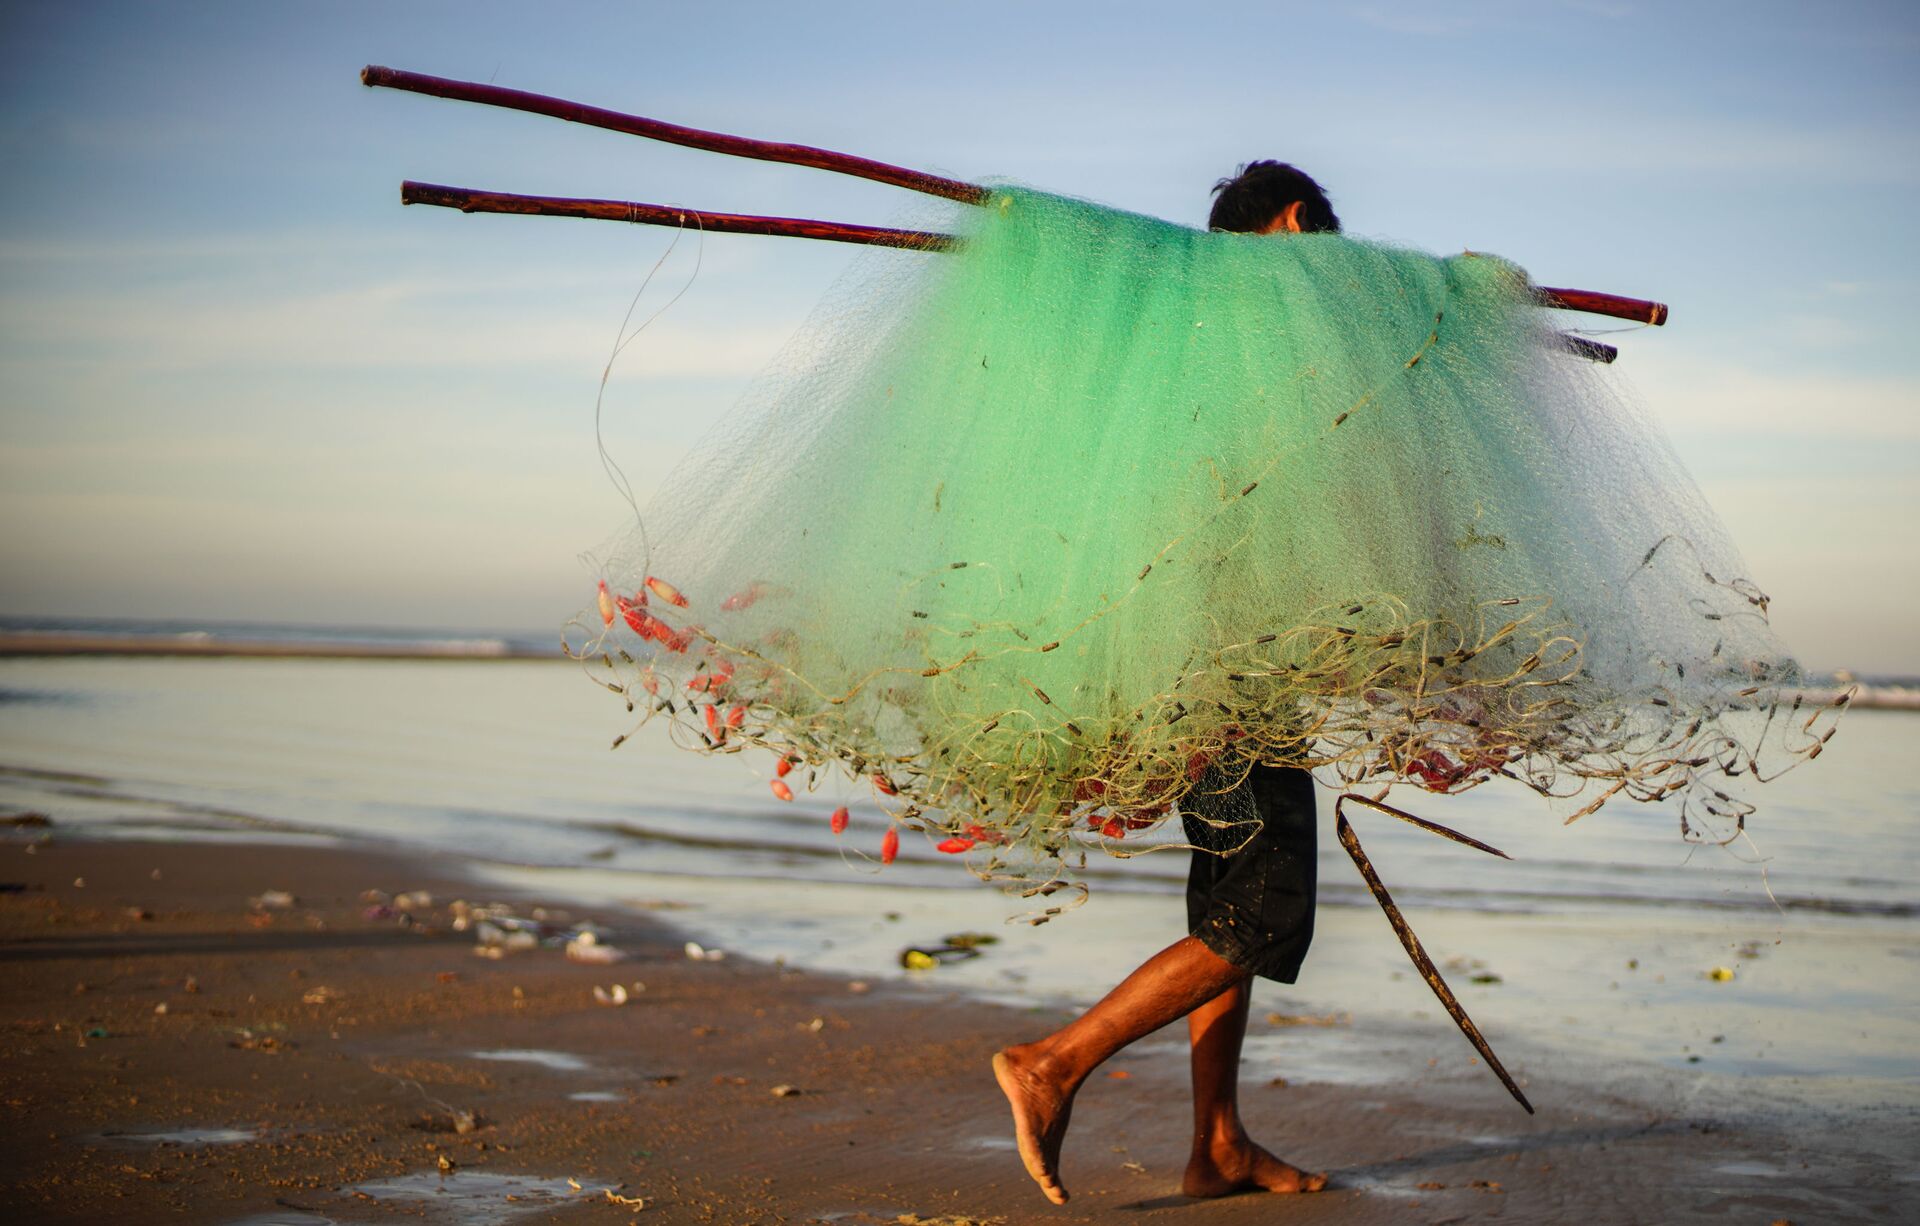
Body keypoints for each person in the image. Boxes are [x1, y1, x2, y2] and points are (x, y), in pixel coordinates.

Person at [990, 162, 1340, 1206]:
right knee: (1267, 911)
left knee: (1229, 898)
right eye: (1322, 241)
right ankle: (1054, 1062)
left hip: (1202, 658)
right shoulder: (1262, 336)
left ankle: (1218, 1143)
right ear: (1293, 222)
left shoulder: (1192, 337)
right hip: (1227, 665)